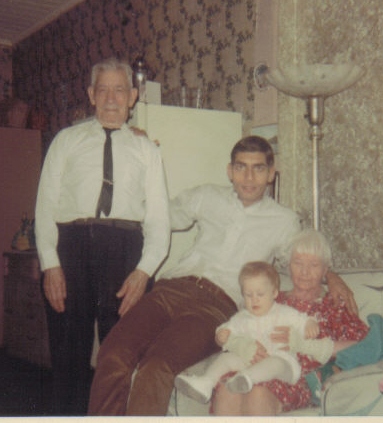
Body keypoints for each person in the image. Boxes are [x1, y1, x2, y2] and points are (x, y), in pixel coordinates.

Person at [87, 136, 356, 416]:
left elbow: (303, 261)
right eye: (241, 167)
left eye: (258, 168)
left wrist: (332, 277)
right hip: (170, 290)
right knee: (112, 353)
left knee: (157, 366)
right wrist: (140, 158)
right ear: (230, 171)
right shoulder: (206, 196)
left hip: (214, 308)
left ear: (271, 173)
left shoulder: (285, 221)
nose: (249, 177)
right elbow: (158, 214)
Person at [34, 57, 170, 415]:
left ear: (133, 96)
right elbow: (45, 206)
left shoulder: (148, 150)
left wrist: (144, 273)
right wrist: (50, 265)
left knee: (120, 356)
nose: (112, 98)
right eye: (104, 90)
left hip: (125, 252)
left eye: (120, 89)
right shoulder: (66, 141)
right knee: (68, 357)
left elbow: (159, 221)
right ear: (92, 95)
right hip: (71, 249)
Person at [212, 229, 369, 416]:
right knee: (226, 390)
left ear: (326, 270)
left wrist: (305, 345)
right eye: (298, 263)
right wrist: (244, 347)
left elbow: (364, 346)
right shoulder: (268, 299)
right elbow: (232, 332)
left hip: (296, 378)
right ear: (288, 265)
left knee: (258, 393)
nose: (305, 272)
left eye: (314, 265)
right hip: (251, 369)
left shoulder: (333, 305)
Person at [175, 261, 333, 403]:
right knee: (227, 358)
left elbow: (302, 320)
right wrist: (221, 335)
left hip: (283, 364)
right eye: (248, 295)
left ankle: (246, 379)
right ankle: (206, 382)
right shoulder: (242, 317)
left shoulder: (283, 312)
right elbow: (226, 329)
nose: (254, 300)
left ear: (274, 293)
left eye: (260, 294)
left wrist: (310, 324)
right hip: (249, 361)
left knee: (275, 363)